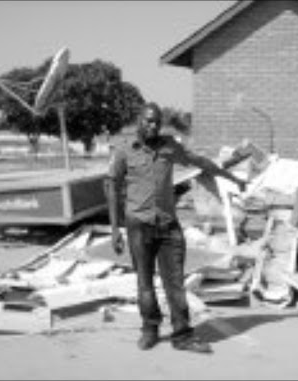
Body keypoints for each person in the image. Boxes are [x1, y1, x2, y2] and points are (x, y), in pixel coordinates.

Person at [106, 102, 247, 354]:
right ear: (138, 120)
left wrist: (233, 178)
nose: (153, 126)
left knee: (175, 284)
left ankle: (182, 335)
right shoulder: (124, 150)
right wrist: (115, 229)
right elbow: (111, 186)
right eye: (148, 121)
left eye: (157, 122)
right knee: (145, 284)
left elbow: (202, 162)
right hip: (139, 226)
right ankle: (150, 328)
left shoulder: (170, 146)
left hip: (169, 227)